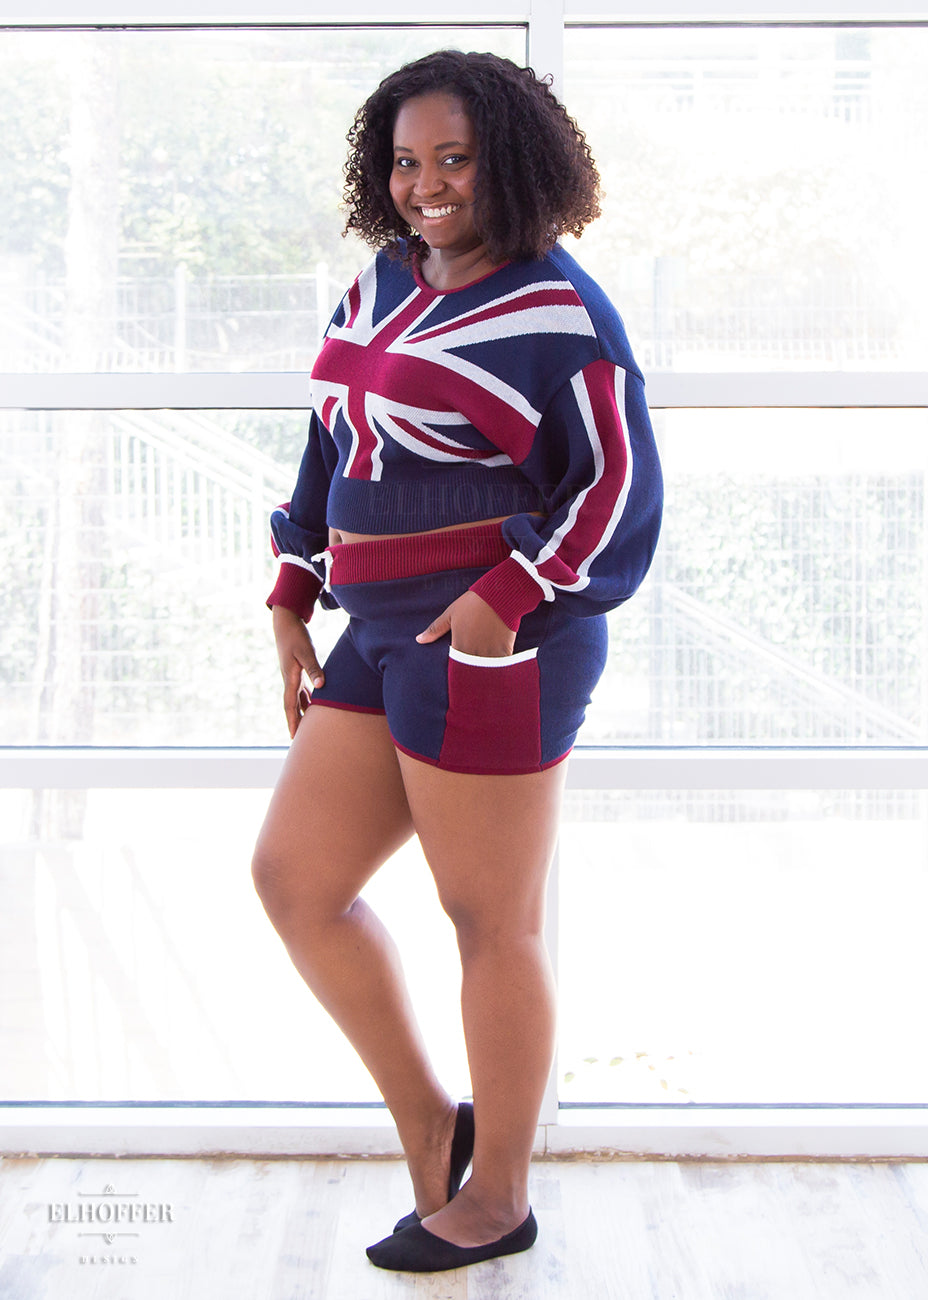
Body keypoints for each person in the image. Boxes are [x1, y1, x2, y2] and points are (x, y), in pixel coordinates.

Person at [251, 49, 662, 1273]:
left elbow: (619, 487)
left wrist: (504, 600)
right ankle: (433, 1129)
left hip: (493, 640)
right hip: (372, 633)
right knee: (293, 880)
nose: (427, 185)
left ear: (513, 163)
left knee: (488, 920)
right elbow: (334, 438)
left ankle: (500, 1193)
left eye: (456, 159)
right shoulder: (383, 282)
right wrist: (292, 585)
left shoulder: (558, 308)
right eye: (408, 161)